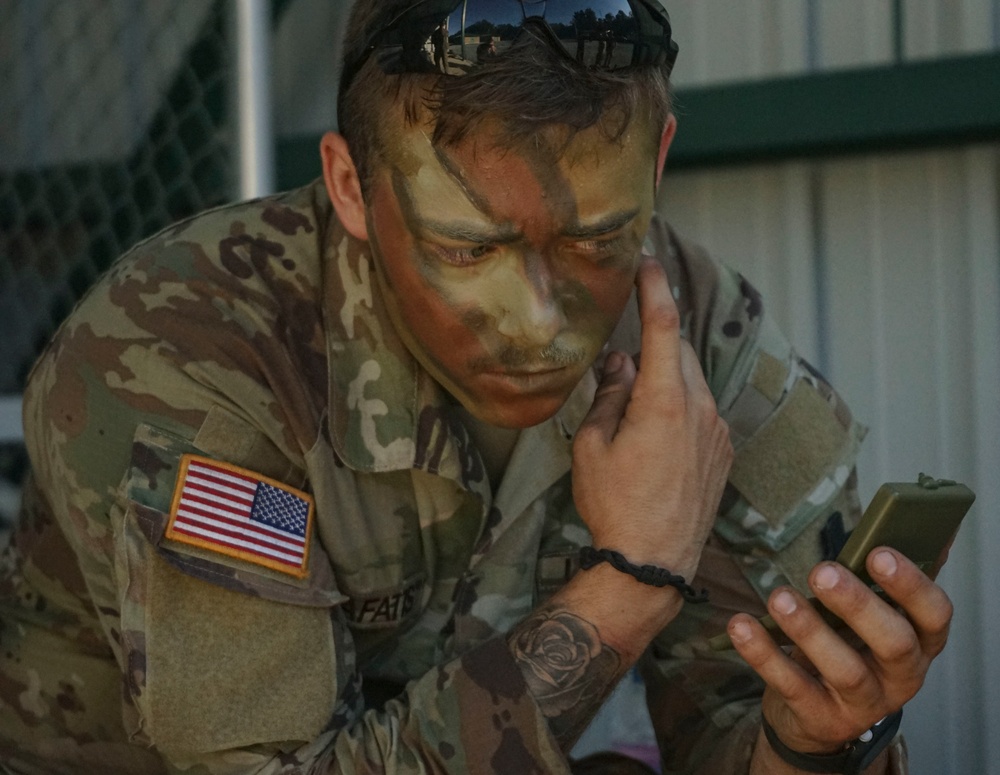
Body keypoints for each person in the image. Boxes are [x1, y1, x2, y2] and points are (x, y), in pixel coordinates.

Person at [0, 2, 950, 774]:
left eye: (596, 240)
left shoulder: (699, 336)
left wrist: (818, 738)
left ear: (656, 162)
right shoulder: (190, 356)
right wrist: (627, 585)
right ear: (348, 185)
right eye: (467, 247)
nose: (541, 322)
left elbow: (737, 737)